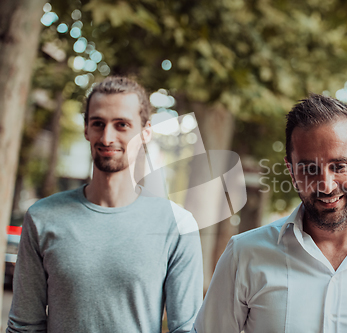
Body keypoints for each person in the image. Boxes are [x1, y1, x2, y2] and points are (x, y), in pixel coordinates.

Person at [192, 94, 347, 333]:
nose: (326, 185)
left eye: (339, 166)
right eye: (309, 168)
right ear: (291, 172)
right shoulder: (244, 255)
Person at [8, 77, 203, 333]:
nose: (107, 137)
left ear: (145, 132)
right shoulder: (42, 217)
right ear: (86, 129)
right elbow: (24, 327)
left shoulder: (178, 225)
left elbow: (186, 329)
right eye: (98, 124)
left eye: (122, 125)